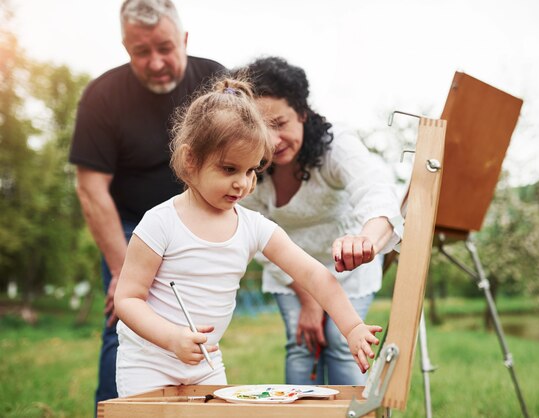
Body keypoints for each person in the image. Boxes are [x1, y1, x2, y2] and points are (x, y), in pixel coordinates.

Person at [113, 77, 382, 397]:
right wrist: (172, 338)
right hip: (147, 363)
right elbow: (127, 299)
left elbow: (313, 274)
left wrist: (351, 326)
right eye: (229, 169)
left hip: (205, 364)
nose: (243, 183)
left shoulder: (254, 226)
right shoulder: (160, 223)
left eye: (252, 170)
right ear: (190, 160)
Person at [68, 0, 225, 406]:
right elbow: (90, 188)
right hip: (131, 227)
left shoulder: (215, 81)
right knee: (124, 320)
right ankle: (114, 412)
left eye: (165, 48)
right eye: (141, 51)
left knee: (197, 327)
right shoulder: (102, 97)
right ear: (125, 48)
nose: (155, 62)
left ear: (184, 40)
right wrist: (122, 269)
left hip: (197, 221)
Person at [238, 57, 401, 385]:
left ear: (302, 112)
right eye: (260, 127)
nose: (272, 140)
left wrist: (366, 241)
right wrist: (309, 298)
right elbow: (252, 235)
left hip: (347, 263)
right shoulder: (247, 163)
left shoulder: (335, 145)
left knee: (342, 342)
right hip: (289, 270)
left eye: (280, 122)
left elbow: (376, 191)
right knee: (302, 345)